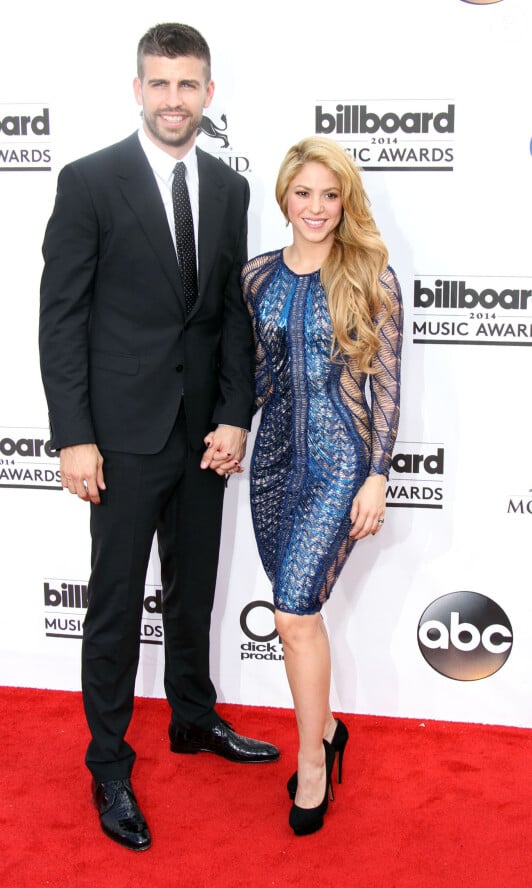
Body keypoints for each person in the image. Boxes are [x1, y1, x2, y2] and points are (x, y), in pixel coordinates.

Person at [39, 22, 279, 853]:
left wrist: (234, 414)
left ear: (209, 94)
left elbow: (231, 317)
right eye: (158, 84)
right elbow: (61, 319)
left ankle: (191, 718)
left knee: (194, 590)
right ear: (136, 90)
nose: (173, 100)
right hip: (121, 435)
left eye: (187, 85)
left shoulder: (230, 186)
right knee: (112, 606)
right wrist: (74, 436)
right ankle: (108, 762)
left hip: (203, 439)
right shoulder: (89, 182)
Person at [241, 137, 403, 836]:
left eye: (329, 195)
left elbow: (388, 385)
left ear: (345, 203)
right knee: (292, 616)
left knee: (294, 612)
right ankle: (329, 728)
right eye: (303, 193)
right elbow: (254, 376)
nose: (315, 207)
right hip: (272, 461)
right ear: (284, 197)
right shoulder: (254, 278)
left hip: (341, 461)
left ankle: (312, 765)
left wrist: (377, 475)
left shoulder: (371, 275)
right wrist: (226, 431)